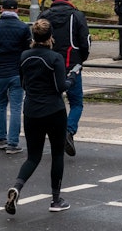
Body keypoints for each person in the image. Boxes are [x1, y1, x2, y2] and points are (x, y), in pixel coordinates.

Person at [4, 19, 73, 214]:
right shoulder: (55, 58)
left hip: (31, 111)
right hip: (54, 111)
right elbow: (61, 87)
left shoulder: (24, 56)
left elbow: (24, 84)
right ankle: (56, 200)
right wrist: (73, 77)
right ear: (51, 37)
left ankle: (17, 187)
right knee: (57, 154)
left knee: (33, 157)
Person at [41, 0, 90, 157]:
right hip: (72, 65)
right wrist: (80, 60)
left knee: (55, 101)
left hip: (49, 66)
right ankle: (68, 131)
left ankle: (58, 134)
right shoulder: (77, 16)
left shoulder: (45, 16)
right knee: (76, 102)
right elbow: (85, 41)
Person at [0, 0, 32, 154]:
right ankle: (13, 143)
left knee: (0, 104)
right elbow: (27, 51)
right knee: (17, 107)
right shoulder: (23, 28)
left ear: (1, 9)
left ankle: (0, 139)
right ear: (17, 10)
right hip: (17, 73)